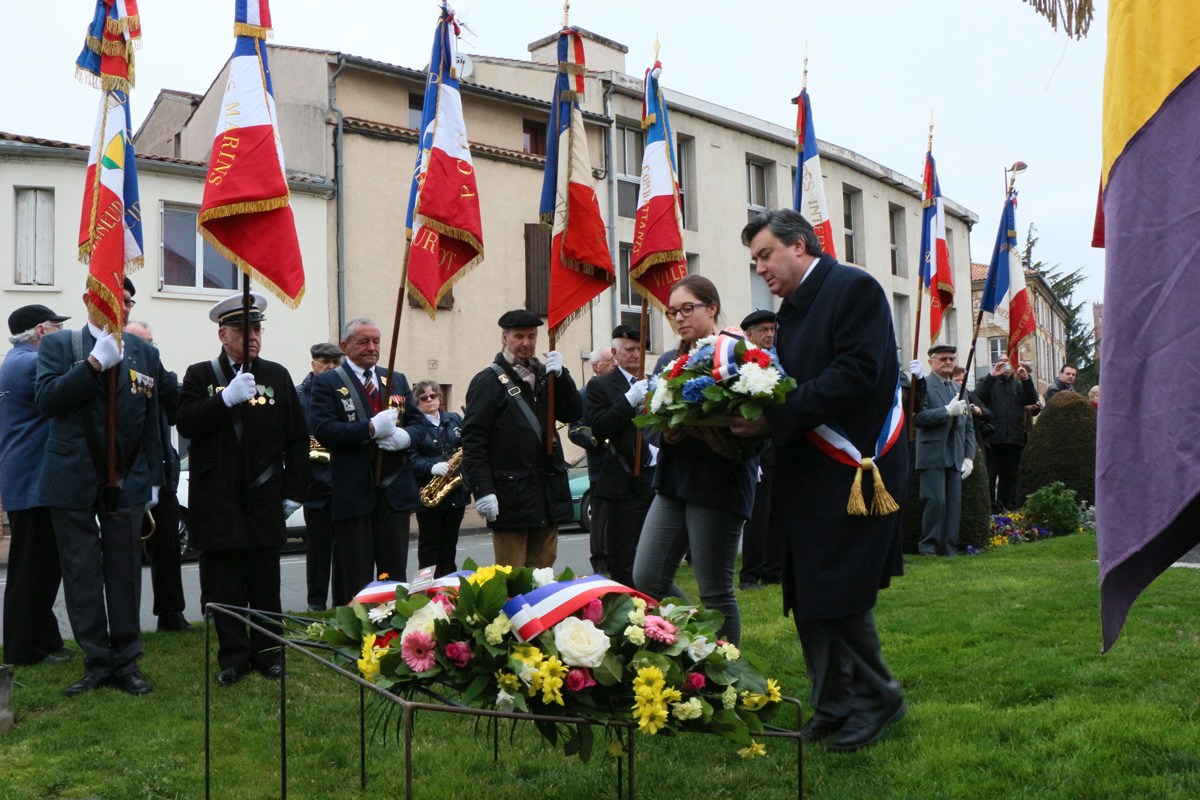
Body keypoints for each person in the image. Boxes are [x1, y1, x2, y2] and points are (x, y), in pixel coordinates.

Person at [733, 209, 907, 752]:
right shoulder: (794, 310)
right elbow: (790, 382)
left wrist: (774, 416)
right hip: (808, 468)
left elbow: (856, 373)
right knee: (807, 588)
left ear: (801, 245)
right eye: (756, 259)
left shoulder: (853, 289)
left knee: (840, 585)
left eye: (766, 254)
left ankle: (879, 696)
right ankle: (833, 702)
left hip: (853, 467)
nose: (760, 267)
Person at [35, 283, 165, 697]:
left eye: (130, 301)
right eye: (117, 300)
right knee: (82, 573)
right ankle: (96, 661)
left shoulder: (144, 352)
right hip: (72, 476)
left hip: (126, 479)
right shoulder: (58, 345)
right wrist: (92, 364)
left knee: (125, 571)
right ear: (92, 301)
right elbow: (47, 401)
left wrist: (154, 478)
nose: (125, 307)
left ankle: (127, 660)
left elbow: (149, 419)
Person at [176, 293, 309, 687]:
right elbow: (185, 422)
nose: (251, 336)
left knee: (266, 584)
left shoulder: (277, 375)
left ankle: (269, 654)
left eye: (256, 329)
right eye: (241, 329)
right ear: (223, 334)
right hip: (217, 500)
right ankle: (233, 657)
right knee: (226, 585)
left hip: (264, 496)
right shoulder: (200, 375)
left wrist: (294, 491)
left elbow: (297, 437)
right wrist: (225, 399)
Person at [631, 276, 759, 645]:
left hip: (719, 482)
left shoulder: (736, 352)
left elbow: (759, 425)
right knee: (647, 577)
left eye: (688, 309)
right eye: (673, 312)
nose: (679, 318)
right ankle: (698, 640)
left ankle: (725, 670)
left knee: (715, 590)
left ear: (712, 307)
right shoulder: (670, 360)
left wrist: (727, 440)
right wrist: (664, 435)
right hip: (673, 481)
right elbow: (649, 418)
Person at [309, 319, 421, 603]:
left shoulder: (396, 379)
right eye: (363, 341)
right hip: (354, 492)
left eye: (376, 341)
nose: (372, 347)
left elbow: (420, 424)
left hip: (393, 491)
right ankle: (357, 638)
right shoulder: (327, 382)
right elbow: (323, 430)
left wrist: (405, 438)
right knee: (356, 577)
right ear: (345, 346)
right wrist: (369, 430)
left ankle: (394, 638)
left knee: (394, 577)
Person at [461, 310, 582, 568]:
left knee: (543, 577)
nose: (526, 343)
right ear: (505, 338)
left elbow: (573, 412)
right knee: (512, 576)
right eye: (518, 336)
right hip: (510, 495)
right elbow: (474, 441)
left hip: (547, 492)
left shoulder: (545, 375)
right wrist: (483, 490)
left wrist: (562, 377)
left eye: (531, 336)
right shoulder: (488, 381)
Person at [1, 304, 70, 666]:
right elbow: (68, 394)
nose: (62, 333)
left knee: (41, 568)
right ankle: (22, 650)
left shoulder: (14, 361)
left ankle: (43, 639)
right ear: (41, 331)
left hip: (26, 478)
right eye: (58, 326)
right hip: (35, 480)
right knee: (33, 571)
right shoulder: (32, 364)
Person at [123, 320, 194, 633]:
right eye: (143, 343)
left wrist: (156, 365)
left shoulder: (157, 372)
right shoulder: (119, 371)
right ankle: (126, 624)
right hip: (127, 477)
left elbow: (176, 409)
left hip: (160, 475)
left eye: (153, 343)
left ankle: (171, 615)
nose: (150, 349)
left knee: (167, 548)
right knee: (126, 555)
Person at [588, 325, 657, 588]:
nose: (636, 355)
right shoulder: (601, 386)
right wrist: (628, 401)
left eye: (641, 349)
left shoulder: (655, 380)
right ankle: (629, 611)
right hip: (626, 480)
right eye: (629, 350)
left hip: (656, 475)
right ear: (615, 353)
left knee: (656, 556)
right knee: (625, 558)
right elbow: (600, 426)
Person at [737, 309, 783, 591]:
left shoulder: (782, 360)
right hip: (757, 447)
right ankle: (750, 574)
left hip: (781, 443)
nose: (769, 334)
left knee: (779, 510)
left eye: (772, 329)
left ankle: (774, 570)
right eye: (763, 329)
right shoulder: (745, 363)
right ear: (750, 335)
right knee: (758, 512)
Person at [914, 344, 974, 557]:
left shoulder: (959, 389)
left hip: (955, 454)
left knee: (953, 505)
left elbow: (968, 426)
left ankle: (948, 549)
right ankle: (928, 547)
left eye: (951, 359)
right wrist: (946, 411)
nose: (949, 362)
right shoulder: (924, 385)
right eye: (943, 359)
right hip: (932, 453)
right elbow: (918, 418)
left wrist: (969, 456)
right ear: (931, 362)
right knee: (935, 501)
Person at [296, 342, 343, 611]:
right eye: (326, 362)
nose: (331, 367)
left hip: (342, 482)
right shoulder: (300, 395)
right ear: (313, 364)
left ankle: (340, 601)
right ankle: (316, 602)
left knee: (344, 549)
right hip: (314, 483)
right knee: (317, 549)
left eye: (336, 362)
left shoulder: (344, 392)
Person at [410, 380, 468, 577]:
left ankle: (448, 593)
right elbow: (410, 458)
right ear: (417, 402)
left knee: (449, 546)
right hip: (430, 495)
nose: (429, 400)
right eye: (423, 398)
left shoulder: (454, 420)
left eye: (433, 396)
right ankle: (423, 593)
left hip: (455, 494)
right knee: (428, 548)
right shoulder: (414, 425)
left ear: (439, 398)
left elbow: (467, 448)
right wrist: (431, 467)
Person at [569, 346, 615, 574]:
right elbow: (575, 430)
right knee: (601, 519)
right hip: (601, 467)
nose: (615, 363)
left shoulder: (620, 388)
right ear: (596, 366)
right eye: (609, 360)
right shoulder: (584, 395)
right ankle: (601, 564)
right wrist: (603, 440)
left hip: (625, 466)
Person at [975, 356, 1039, 513]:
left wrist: (1026, 379)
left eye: (1010, 361)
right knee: (990, 476)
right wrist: (992, 377)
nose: (1006, 365)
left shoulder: (1018, 385)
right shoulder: (988, 381)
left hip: (1014, 439)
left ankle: (1007, 509)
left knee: (1009, 478)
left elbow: (1031, 399)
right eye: (1003, 361)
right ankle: (989, 509)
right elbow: (977, 397)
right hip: (992, 438)